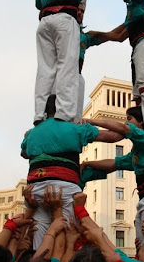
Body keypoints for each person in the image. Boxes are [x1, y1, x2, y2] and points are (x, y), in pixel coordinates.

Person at [22, 95, 123, 248]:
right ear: (64, 109)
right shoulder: (75, 128)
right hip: (65, 188)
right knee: (69, 235)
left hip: (35, 189)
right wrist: (90, 121)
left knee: (39, 238)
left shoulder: (32, 134)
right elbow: (115, 136)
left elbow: (24, 153)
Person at [34, 0, 119, 124]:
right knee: (68, 65)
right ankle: (64, 112)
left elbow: (38, 3)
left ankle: (39, 113)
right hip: (64, 20)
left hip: (44, 23)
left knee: (45, 69)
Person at [80, 106, 144, 243]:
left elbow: (123, 129)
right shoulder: (138, 153)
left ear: (141, 123)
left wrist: (92, 122)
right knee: (143, 244)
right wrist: (88, 164)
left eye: (129, 119)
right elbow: (114, 163)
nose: (126, 123)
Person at [94, 0, 144, 133]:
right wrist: (94, 36)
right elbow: (118, 36)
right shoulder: (131, 12)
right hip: (139, 48)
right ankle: (142, 126)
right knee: (138, 92)